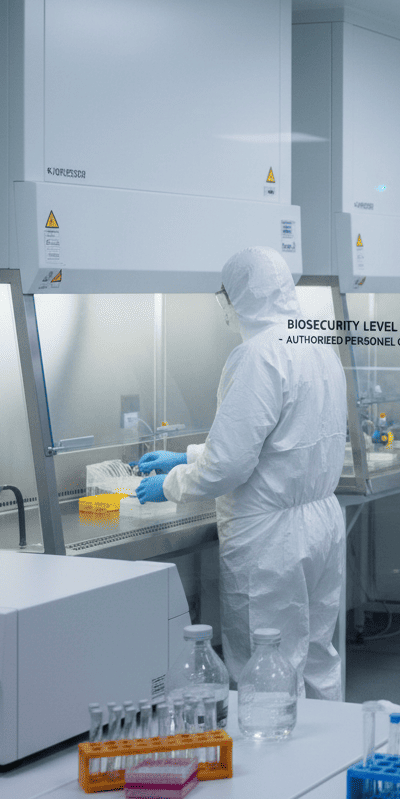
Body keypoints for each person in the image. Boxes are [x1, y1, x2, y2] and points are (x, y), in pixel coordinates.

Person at [136, 246, 347, 700]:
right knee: (315, 653)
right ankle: (330, 755)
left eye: (225, 294)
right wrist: (190, 455)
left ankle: (278, 762)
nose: (224, 306)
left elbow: (229, 466)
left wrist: (172, 483)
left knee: (267, 662)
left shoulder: (257, 355)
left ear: (241, 296)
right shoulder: (315, 344)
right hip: (320, 523)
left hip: (272, 537)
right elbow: (280, 441)